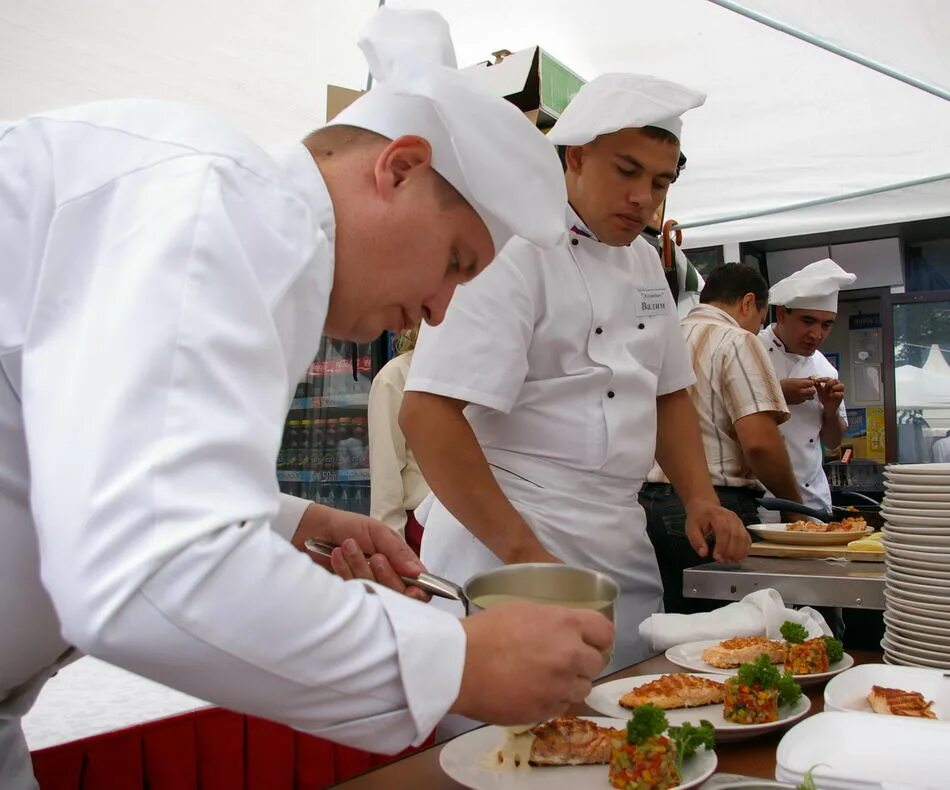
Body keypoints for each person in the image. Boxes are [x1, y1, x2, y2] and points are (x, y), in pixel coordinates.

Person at [0, 9, 615, 787]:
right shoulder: (224, 203)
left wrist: (290, 521)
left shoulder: (242, 220)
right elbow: (149, 570)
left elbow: (70, 452)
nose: (439, 310)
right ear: (399, 168)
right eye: (457, 262)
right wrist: (458, 661)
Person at [400, 73, 750, 677]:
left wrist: (700, 498)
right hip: (508, 530)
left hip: (617, 530)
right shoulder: (507, 247)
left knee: (630, 709)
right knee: (506, 743)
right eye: (627, 171)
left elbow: (668, 393)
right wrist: (523, 558)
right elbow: (427, 413)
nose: (645, 197)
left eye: (660, 182)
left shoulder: (646, 263)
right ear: (577, 155)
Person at [641, 263, 804, 613]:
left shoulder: (664, 337)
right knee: (732, 629)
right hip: (716, 505)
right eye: (761, 319)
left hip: (648, 504)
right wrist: (795, 507)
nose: (759, 328)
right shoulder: (737, 340)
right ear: (748, 303)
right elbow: (759, 442)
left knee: (674, 626)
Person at [759, 258, 856, 513]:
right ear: (781, 313)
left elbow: (832, 442)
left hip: (812, 498)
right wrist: (778, 393)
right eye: (808, 321)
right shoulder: (749, 350)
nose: (816, 334)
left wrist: (831, 410)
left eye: (826, 325)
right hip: (758, 496)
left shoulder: (824, 368)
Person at [368, 326, 430, 553]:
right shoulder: (394, 377)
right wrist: (392, 553)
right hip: (422, 531)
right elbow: (386, 480)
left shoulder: (479, 376)